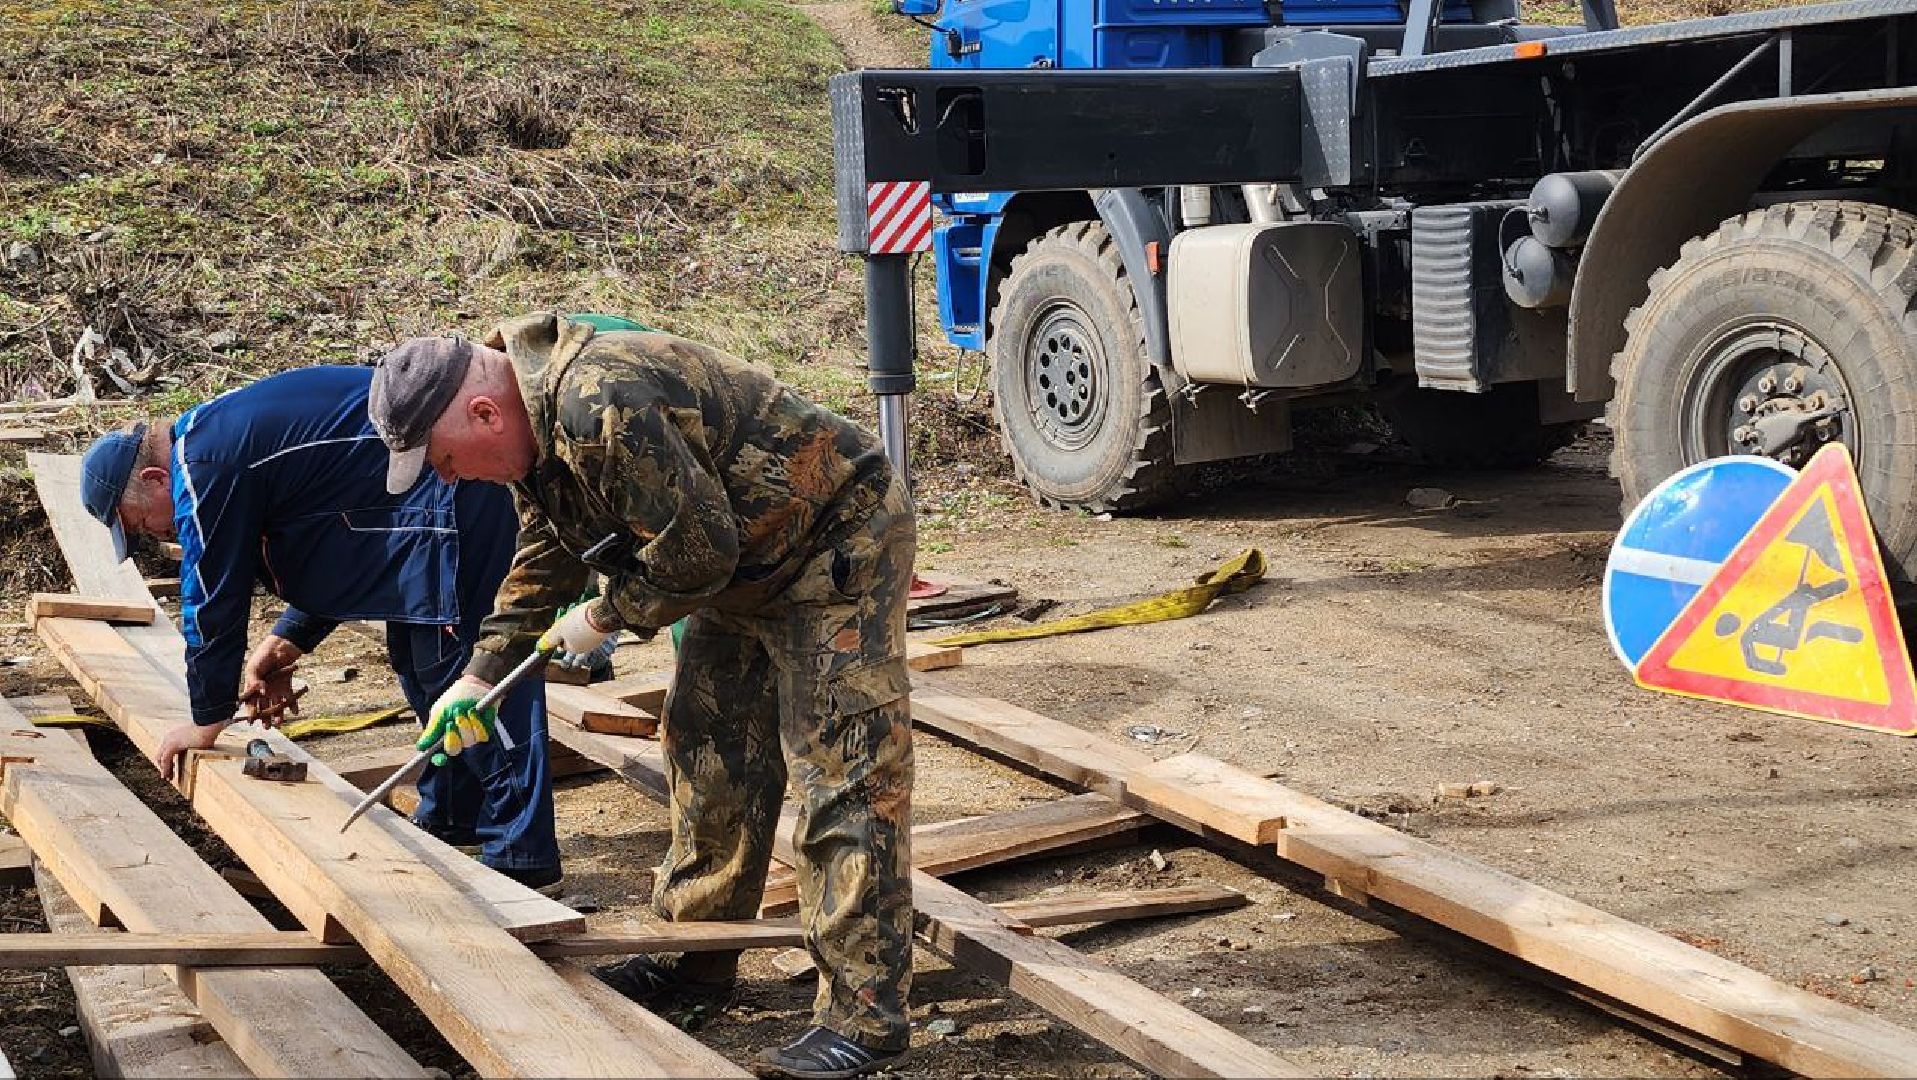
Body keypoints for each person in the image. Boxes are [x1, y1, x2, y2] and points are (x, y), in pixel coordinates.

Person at [368, 314, 916, 1080]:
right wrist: (480, 674)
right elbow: (547, 551)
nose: (452, 478)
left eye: (448, 461)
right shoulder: (530, 429)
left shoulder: (600, 399)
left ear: (483, 414)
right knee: (707, 746)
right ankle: (697, 959)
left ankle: (863, 1014)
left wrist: (603, 615)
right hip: (742, 558)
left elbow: (697, 555)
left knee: (842, 769)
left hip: (833, 541)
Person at [77, 365, 562, 890]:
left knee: (467, 674)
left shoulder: (202, 466)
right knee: (421, 668)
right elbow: (334, 543)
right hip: (424, 511)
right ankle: (455, 821)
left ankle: (523, 857)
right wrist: (289, 638)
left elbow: (212, 597)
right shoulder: (224, 443)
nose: (156, 534)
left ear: (155, 479)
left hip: (459, 486)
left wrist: (207, 719)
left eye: (142, 522)